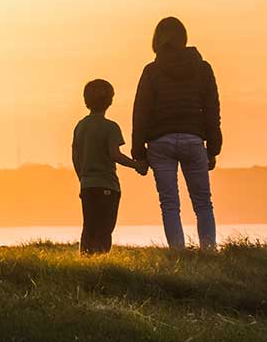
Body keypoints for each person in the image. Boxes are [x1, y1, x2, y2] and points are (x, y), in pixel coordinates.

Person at [132, 16, 223, 250]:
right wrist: (213, 148)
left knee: (169, 204)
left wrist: (138, 152)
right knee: (203, 203)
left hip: (160, 142)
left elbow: (141, 112)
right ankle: (209, 251)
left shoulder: (151, 71)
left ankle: (178, 253)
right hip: (194, 139)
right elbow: (212, 109)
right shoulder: (202, 68)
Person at [72, 79, 147, 255]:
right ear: (110, 101)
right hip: (108, 185)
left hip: (87, 184)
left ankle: (85, 260)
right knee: (104, 228)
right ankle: (101, 263)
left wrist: (82, 177)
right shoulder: (110, 127)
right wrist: (137, 165)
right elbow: (115, 155)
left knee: (89, 226)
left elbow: (75, 156)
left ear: (86, 100)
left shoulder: (81, 126)